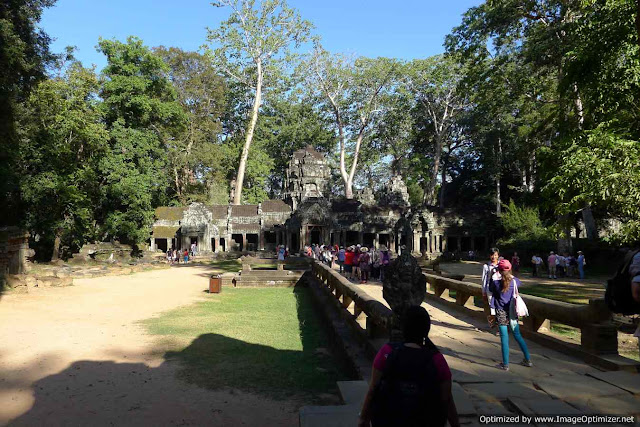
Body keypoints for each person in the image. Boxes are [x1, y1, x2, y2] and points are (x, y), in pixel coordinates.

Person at [358, 306, 460, 427]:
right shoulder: (437, 360)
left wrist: (363, 419)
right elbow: (446, 399)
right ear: (426, 329)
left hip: (389, 420)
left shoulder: (387, 352)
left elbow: (373, 390)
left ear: (403, 328)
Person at [490, 259, 533, 371]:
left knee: (504, 337)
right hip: (512, 311)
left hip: (501, 311)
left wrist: (493, 274)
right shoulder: (515, 281)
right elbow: (518, 283)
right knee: (517, 335)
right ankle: (527, 359)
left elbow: (490, 289)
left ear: (498, 270)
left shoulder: (495, 282)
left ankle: (505, 364)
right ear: (510, 269)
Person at [482, 248, 501, 329]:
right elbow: (484, 279)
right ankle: (493, 323)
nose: (494, 257)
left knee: (500, 306)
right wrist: (483, 291)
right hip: (490, 289)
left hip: (500, 289)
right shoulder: (486, 266)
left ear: (498, 256)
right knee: (492, 306)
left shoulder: (501, 264)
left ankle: (499, 323)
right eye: (492, 255)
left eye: (495, 255)